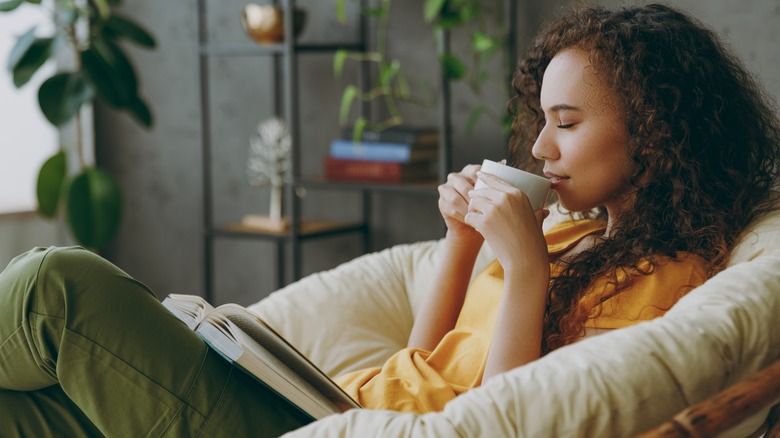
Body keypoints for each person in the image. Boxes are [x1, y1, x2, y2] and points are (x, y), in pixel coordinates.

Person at [1, 3, 778, 437]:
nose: (538, 147)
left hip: (311, 431)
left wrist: (527, 271)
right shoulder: (577, 232)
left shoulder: (661, 279)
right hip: (335, 407)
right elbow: (424, 358)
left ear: (654, 131)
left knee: (56, 285)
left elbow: (510, 421)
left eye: (567, 123)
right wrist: (463, 243)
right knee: (28, 410)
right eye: (540, 119)